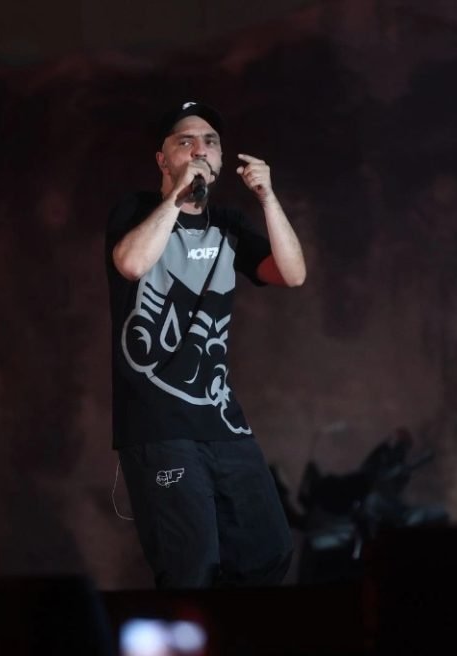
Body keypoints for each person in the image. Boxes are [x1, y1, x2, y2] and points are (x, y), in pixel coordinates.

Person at [105, 101, 306, 588]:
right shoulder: (136, 212)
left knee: (268, 551)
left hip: (222, 421)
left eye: (210, 142)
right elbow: (131, 263)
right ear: (163, 159)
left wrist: (268, 199)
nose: (200, 150)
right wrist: (176, 197)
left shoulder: (229, 225)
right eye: (186, 142)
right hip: (158, 425)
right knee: (191, 568)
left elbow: (292, 274)